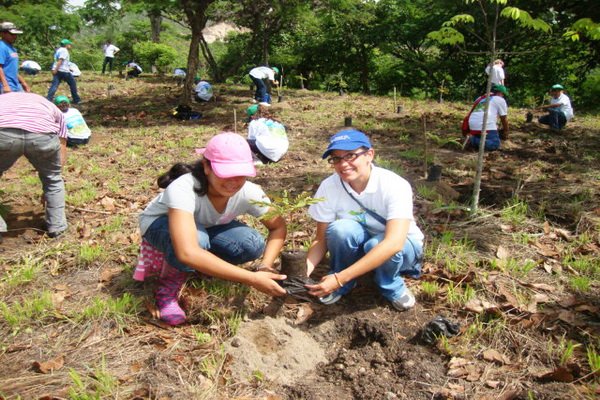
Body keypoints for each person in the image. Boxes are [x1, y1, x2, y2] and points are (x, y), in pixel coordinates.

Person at [136, 132, 287, 325]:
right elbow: (187, 251)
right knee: (197, 242)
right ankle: (167, 291)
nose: (233, 181)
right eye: (225, 173)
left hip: (209, 226)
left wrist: (266, 265)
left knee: (252, 244)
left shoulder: (249, 192)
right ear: (207, 166)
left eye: (240, 174)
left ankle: (206, 265)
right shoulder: (184, 187)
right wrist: (252, 279)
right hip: (160, 224)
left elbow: (278, 227)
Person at [304, 129, 424, 311]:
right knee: (340, 230)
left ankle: (390, 285)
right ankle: (346, 279)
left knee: (377, 245)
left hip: (402, 247)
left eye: (350, 156)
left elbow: (394, 243)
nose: (343, 164)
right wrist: (303, 272)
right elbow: (321, 240)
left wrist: (338, 278)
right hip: (363, 244)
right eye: (336, 159)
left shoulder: (394, 185)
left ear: (370, 155)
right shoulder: (329, 186)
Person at [0, 92, 68, 242]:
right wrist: (54, 177)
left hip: (3, 133)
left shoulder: (3, 101)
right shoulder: (49, 105)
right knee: (53, 180)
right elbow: (62, 143)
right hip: (42, 134)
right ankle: (57, 228)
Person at [463, 84, 509, 151]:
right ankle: (473, 140)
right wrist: (506, 131)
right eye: (503, 95)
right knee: (495, 144)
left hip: (472, 125)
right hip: (485, 125)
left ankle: (474, 139)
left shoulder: (481, 98)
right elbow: (503, 119)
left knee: (485, 138)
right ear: (500, 93)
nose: (503, 96)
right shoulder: (500, 99)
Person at [47, 39, 81, 105]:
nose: (70, 46)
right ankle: (76, 99)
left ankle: (48, 99)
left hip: (58, 70)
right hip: (63, 71)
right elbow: (60, 61)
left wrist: (55, 70)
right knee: (72, 84)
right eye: (69, 44)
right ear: (66, 45)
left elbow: (61, 62)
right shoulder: (64, 51)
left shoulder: (59, 50)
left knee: (54, 85)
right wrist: (56, 69)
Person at [0, 22, 29, 93]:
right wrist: (5, 85)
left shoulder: (12, 48)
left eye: (16, 34)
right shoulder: (1, 46)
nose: (15, 36)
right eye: (12, 34)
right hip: (6, 86)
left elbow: (12, 69)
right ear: (3, 33)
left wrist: (23, 82)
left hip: (15, 85)